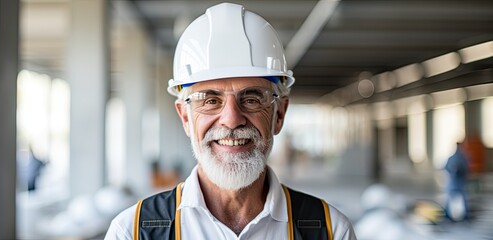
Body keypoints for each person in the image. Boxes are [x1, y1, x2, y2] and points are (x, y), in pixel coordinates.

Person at [105, 3, 356, 240]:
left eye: (252, 99)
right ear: (185, 117)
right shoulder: (131, 232)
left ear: (279, 114)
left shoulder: (331, 231)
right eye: (210, 100)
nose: (232, 120)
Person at [444, 142, 470, 221]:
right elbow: (446, 168)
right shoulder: (453, 158)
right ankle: (447, 214)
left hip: (460, 182)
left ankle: (465, 215)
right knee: (450, 197)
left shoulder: (463, 158)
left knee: (463, 198)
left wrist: (460, 170)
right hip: (454, 182)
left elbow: (467, 169)